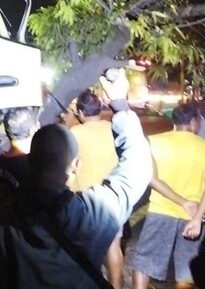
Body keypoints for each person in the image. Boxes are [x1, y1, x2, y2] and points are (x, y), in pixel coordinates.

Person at [0, 68, 152, 289]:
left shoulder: (2, 221)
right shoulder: (92, 212)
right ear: (74, 166)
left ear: (30, 161)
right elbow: (138, 166)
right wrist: (119, 103)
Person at [131, 104, 205, 289]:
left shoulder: (153, 142)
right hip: (192, 217)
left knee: (144, 264)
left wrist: (182, 202)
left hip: (160, 211)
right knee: (187, 271)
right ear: (193, 122)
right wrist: (197, 218)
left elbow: (151, 179)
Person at [69, 90, 123, 289]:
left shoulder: (75, 133)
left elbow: (70, 166)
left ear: (81, 112)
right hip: (113, 197)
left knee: (84, 250)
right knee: (113, 246)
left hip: (85, 200)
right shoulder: (113, 128)